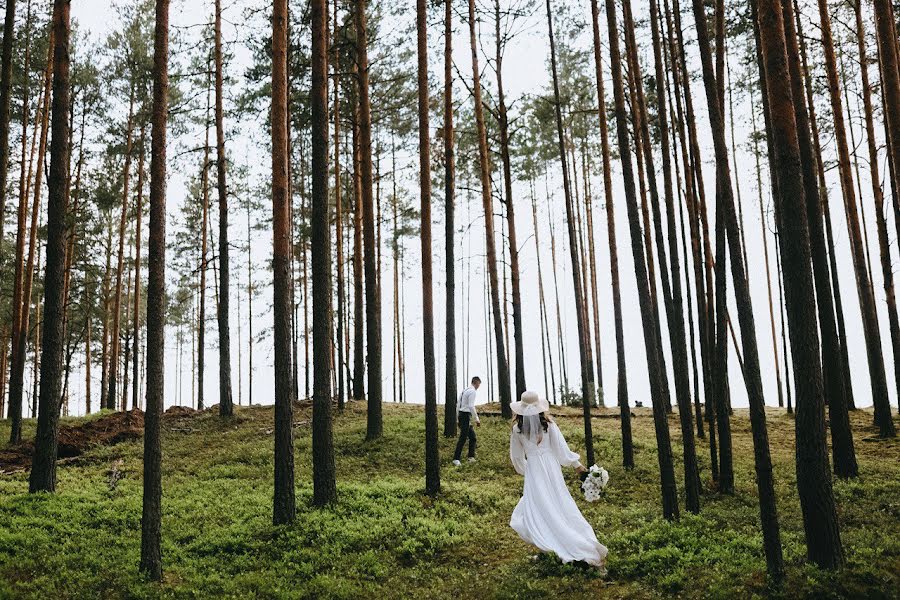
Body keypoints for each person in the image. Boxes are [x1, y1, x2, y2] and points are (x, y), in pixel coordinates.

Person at [509, 391, 608, 570]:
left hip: (534, 470)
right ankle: (563, 542)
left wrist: (528, 471)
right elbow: (562, 450)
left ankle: (550, 543)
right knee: (559, 503)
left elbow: (516, 458)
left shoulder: (517, 429)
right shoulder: (549, 425)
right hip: (552, 468)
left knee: (539, 507)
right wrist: (578, 466)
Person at [452, 376, 481, 466]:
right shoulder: (472, 392)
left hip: (462, 415)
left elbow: (458, 405)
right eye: (479, 384)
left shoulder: (464, 391)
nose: (478, 387)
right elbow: (471, 406)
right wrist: (476, 419)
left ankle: (471, 457)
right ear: (476, 383)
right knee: (463, 438)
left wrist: (457, 418)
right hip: (465, 416)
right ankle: (456, 458)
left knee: (472, 437)